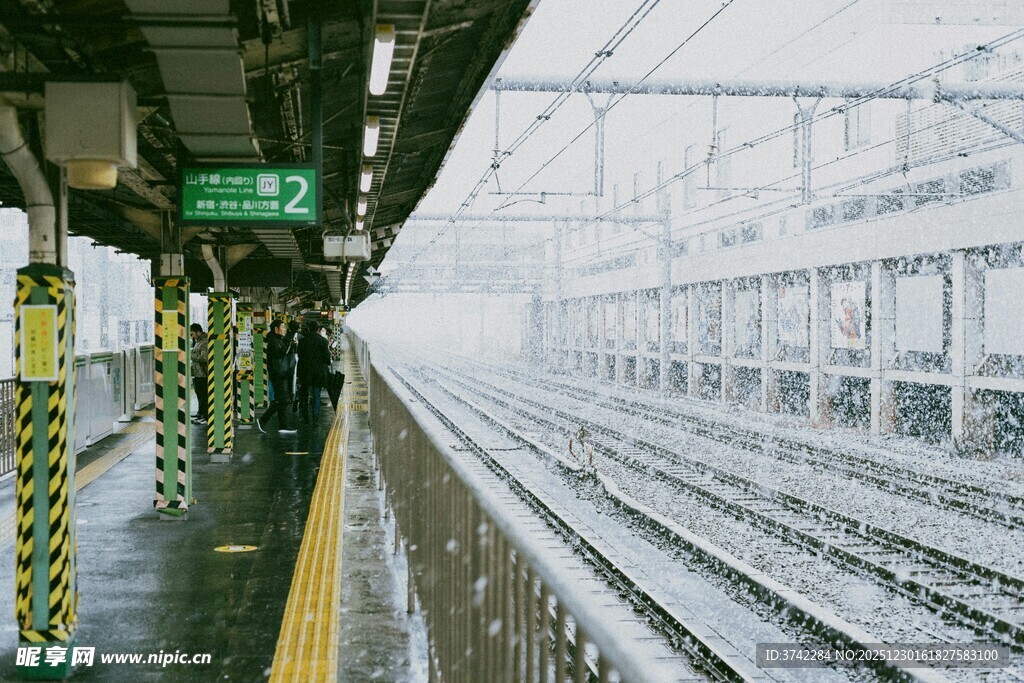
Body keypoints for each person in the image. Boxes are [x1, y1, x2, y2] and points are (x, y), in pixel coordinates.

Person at [257, 319, 296, 433]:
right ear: (276, 329)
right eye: (283, 327)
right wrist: (289, 340)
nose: (285, 329)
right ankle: (263, 420)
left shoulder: (279, 340)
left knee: (282, 400)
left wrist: (292, 343)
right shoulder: (274, 342)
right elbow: (281, 353)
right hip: (278, 375)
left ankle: (283, 425)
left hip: (282, 374)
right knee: (281, 400)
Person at [297, 320, 331, 423]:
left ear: (308, 328)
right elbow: (327, 359)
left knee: (304, 395)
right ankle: (315, 419)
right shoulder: (323, 341)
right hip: (318, 373)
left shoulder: (302, 341)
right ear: (318, 329)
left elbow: (300, 356)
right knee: (316, 395)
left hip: (305, 372)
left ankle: (305, 418)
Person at [189, 323, 208, 424]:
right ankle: (200, 413)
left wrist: (190, 355)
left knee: (203, 395)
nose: (191, 337)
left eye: (192, 334)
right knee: (200, 395)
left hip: (202, 374)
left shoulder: (204, 342)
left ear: (198, 332)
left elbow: (204, 358)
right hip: (197, 373)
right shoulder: (198, 341)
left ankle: (205, 416)